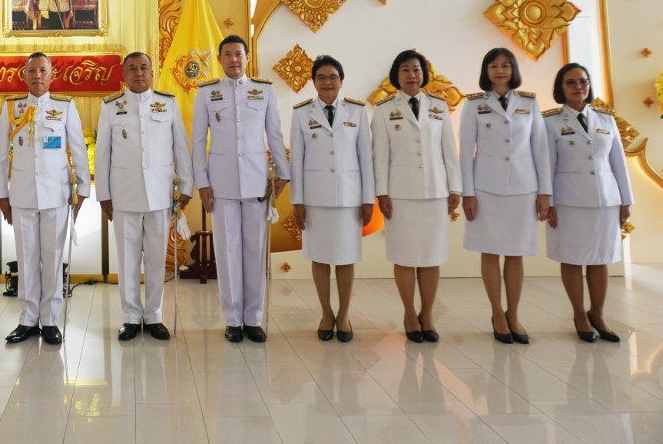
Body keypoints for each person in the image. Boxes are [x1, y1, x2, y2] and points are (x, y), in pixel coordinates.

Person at [192, 35, 290, 343]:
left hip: (257, 182)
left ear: (247, 58)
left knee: (254, 251)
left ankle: (253, 319)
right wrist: (202, 182)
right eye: (228, 54)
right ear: (220, 59)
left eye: (239, 54)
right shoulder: (206, 92)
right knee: (227, 251)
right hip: (221, 185)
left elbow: (274, 134)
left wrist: (283, 173)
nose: (234, 59)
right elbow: (198, 140)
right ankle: (233, 319)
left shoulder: (264, 90)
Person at [94, 52, 194, 341]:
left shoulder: (168, 103)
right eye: (132, 68)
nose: (139, 73)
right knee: (127, 260)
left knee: (155, 259)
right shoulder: (111, 107)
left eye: (144, 68)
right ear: (123, 75)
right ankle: (130, 317)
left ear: (152, 72)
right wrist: (104, 194)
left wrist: (186, 185)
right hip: (124, 195)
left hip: (160, 194)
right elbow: (102, 155)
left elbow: (181, 148)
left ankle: (153, 316)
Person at [0, 52, 90, 345]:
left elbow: (78, 150)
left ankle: (50, 320)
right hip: (22, 195)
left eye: (43, 71)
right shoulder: (11, 107)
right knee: (26, 258)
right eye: (32, 71)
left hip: (56, 195)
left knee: (52, 259)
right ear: (24, 75)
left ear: (51, 75)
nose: (37, 76)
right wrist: (2, 195)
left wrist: (82, 191)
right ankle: (27, 319)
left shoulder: (65, 107)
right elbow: (0, 156)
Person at [459, 48, 551, 344]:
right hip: (486, 188)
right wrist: (467, 193)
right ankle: (497, 313)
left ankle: (514, 314)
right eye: (493, 66)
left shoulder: (529, 102)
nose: (500, 71)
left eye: (505, 65)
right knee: (489, 251)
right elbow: (466, 151)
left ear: (513, 70)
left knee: (515, 253)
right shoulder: (474, 104)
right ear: (486, 71)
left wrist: (545, 191)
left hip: (524, 188)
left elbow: (540, 149)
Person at [371, 49, 461, 343]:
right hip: (400, 194)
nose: (412, 75)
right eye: (406, 70)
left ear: (424, 75)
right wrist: (381, 192)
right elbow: (379, 156)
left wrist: (455, 188)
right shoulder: (383, 110)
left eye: (417, 70)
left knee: (432, 256)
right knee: (404, 256)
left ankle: (428, 314)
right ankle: (410, 313)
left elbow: (450, 151)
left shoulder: (439, 106)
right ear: (396, 75)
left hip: (435, 192)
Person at [543, 63, 632, 343]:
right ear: (560, 88)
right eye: (570, 82)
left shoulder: (606, 119)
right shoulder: (550, 122)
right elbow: (547, 165)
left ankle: (598, 314)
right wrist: (549, 201)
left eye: (583, 81)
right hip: (568, 201)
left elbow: (618, 163)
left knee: (600, 258)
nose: (578, 87)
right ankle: (579, 314)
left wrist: (626, 200)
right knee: (572, 258)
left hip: (605, 199)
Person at [289, 55, 374, 343]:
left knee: (346, 258)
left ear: (341, 81)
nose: (327, 82)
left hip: (349, 199)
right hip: (316, 199)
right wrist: (297, 201)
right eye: (322, 77)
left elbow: (365, 158)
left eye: (333, 77)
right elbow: (297, 161)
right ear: (313, 82)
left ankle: (345, 314)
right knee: (320, 258)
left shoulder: (357, 111)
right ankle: (327, 314)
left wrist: (368, 199)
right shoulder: (302, 113)